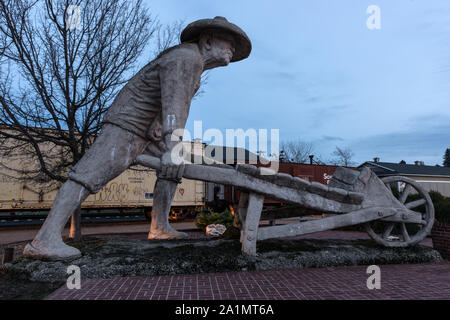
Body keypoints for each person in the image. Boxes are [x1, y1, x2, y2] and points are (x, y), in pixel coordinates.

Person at [23, 16, 252, 260]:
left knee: (174, 167)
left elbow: (169, 99)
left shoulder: (193, 64)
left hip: (146, 129)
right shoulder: (186, 57)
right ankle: (44, 240)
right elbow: (176, 106)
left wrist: (161, 129)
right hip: (128, 124)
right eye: (228, 41)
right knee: (87, 176)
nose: (233, 48)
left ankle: (160, 227)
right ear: (207, 41)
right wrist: (171, 145)